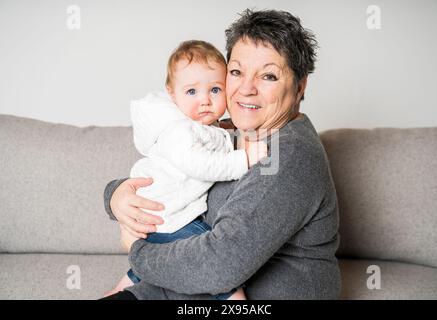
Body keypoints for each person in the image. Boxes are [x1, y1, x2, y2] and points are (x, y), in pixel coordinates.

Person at [102, 9, 341, 300]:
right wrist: (116, 195)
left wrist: (136, 250)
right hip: (181, 288)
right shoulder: (231, 132)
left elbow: (218, 267)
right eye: (237, 72)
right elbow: (173, 170)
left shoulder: (283, 156)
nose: (246, 89)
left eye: (268, 75)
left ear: (299, 86)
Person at [105, 40, 267, 300]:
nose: (205, 101)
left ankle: (116, 291)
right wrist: (244, 159)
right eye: (192, 92)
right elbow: (199, 164)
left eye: (215, 89)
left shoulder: (207, 128)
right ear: (172, 94)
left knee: (147, 271)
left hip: (164, 218)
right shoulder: (180, 130)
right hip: (169, 219)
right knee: (222, 273)